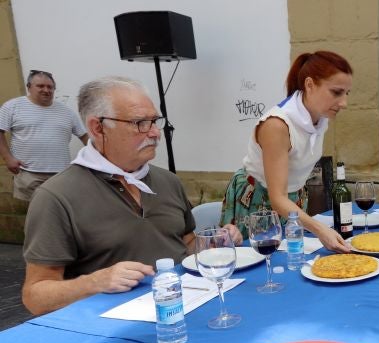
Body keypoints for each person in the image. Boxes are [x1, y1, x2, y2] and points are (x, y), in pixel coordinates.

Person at [21, 76, 242, 316]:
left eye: (154, 121)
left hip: (187, 306)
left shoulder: (167, 181)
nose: (156, 133)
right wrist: (95, 282)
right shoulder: (56, 197)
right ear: (98, 128)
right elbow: (35, 296)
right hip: (114, 327)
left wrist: (214, 244)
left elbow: (185, 243)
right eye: (140, 123)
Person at [221, 51, 352, 252]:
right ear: (309, 85)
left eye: (346, 94)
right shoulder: (277, 125)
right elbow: (277, 197)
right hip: (258, 200)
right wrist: (320, 229)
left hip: (292, 201)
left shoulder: (320, 117)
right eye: (336, 92)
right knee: (259, 266)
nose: (344, 103)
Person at [0, 70, 88, 201]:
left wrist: (100, 158)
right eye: (40, 86)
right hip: (29, 174)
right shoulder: (12, 107)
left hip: (61, 174)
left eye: (50, 87)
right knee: (36, 214)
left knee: (62, 212)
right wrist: (8, 158)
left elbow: (85, 137)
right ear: (29, 87)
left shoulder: (66, 112)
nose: (46, 90)